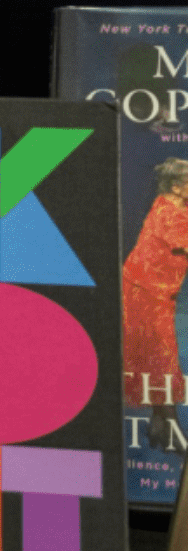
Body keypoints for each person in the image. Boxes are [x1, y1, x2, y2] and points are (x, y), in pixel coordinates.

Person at [125, 157, 188, 446]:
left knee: (157, 361)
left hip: (152, 292)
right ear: (177, 187)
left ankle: (159, 429)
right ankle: (170, 431)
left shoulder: (170, 204)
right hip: (145, 294)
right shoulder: (170, 215)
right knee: (162, 360)